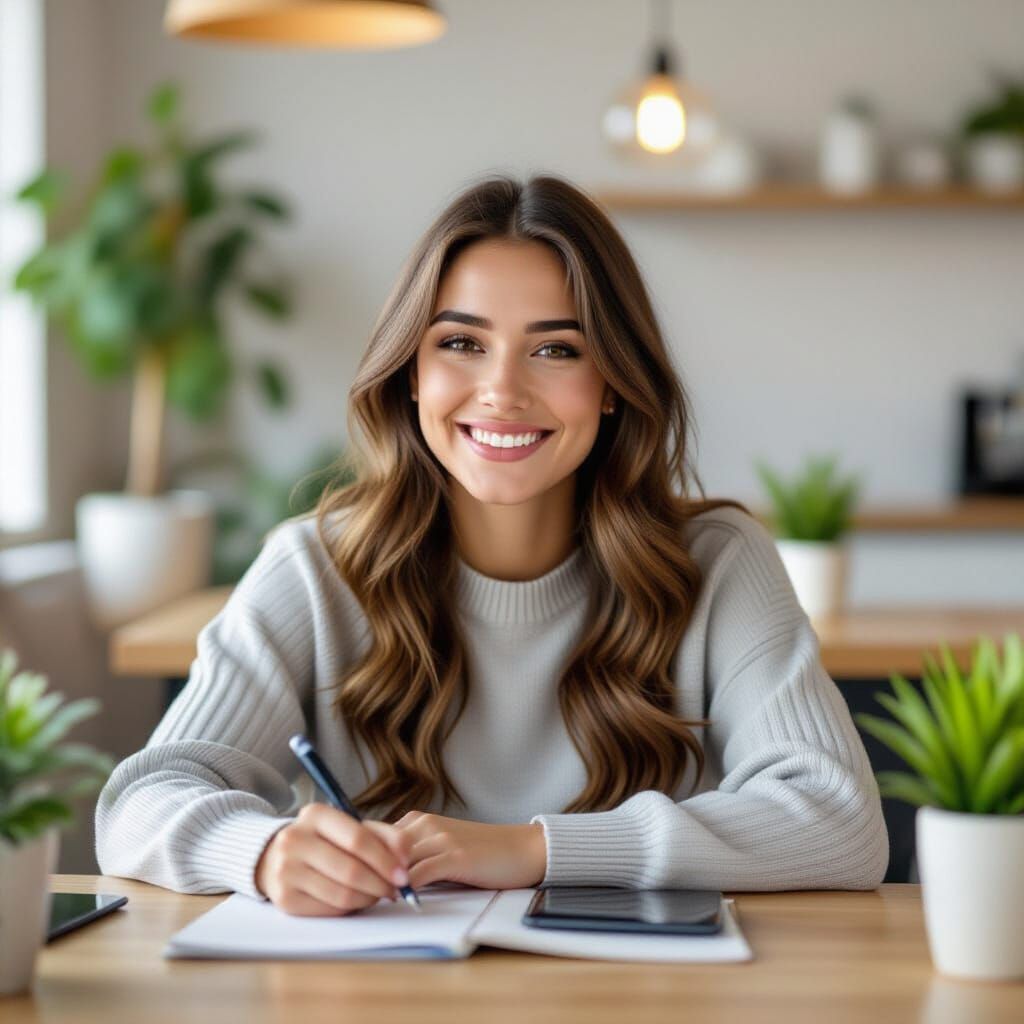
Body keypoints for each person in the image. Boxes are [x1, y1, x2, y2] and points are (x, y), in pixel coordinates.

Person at [95, 174, 888, 917]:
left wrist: (533, 849)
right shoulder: (313, 568)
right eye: (461, 343)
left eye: (556, 349)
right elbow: (142, 800)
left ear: (613, 381)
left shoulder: (717, 562)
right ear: (410, 371)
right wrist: (264, 851)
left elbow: (841, 822)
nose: (503, 390)